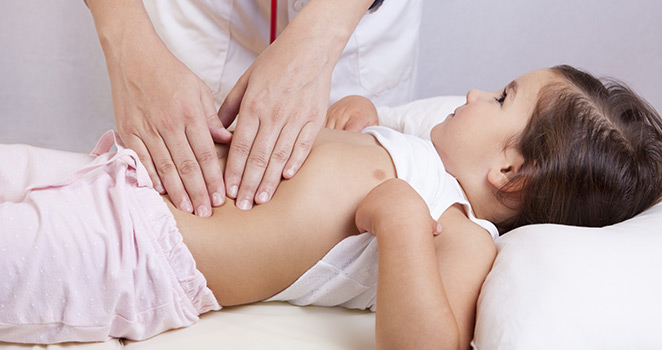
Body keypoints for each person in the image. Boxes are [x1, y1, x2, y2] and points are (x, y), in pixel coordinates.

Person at [1, 66, 661, 348]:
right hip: (118, 174)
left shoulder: (462, 233)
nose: (474, 89)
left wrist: (401, 220)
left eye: (501, 99)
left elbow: (425, 345)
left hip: (134, 251)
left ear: (511, 170)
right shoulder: (410, 145)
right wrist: (357, 125)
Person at [84, 0, 421, 217]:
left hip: (354, 21)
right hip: (200, 18)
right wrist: (124, 38)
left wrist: (326, 31)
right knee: (176, 172)